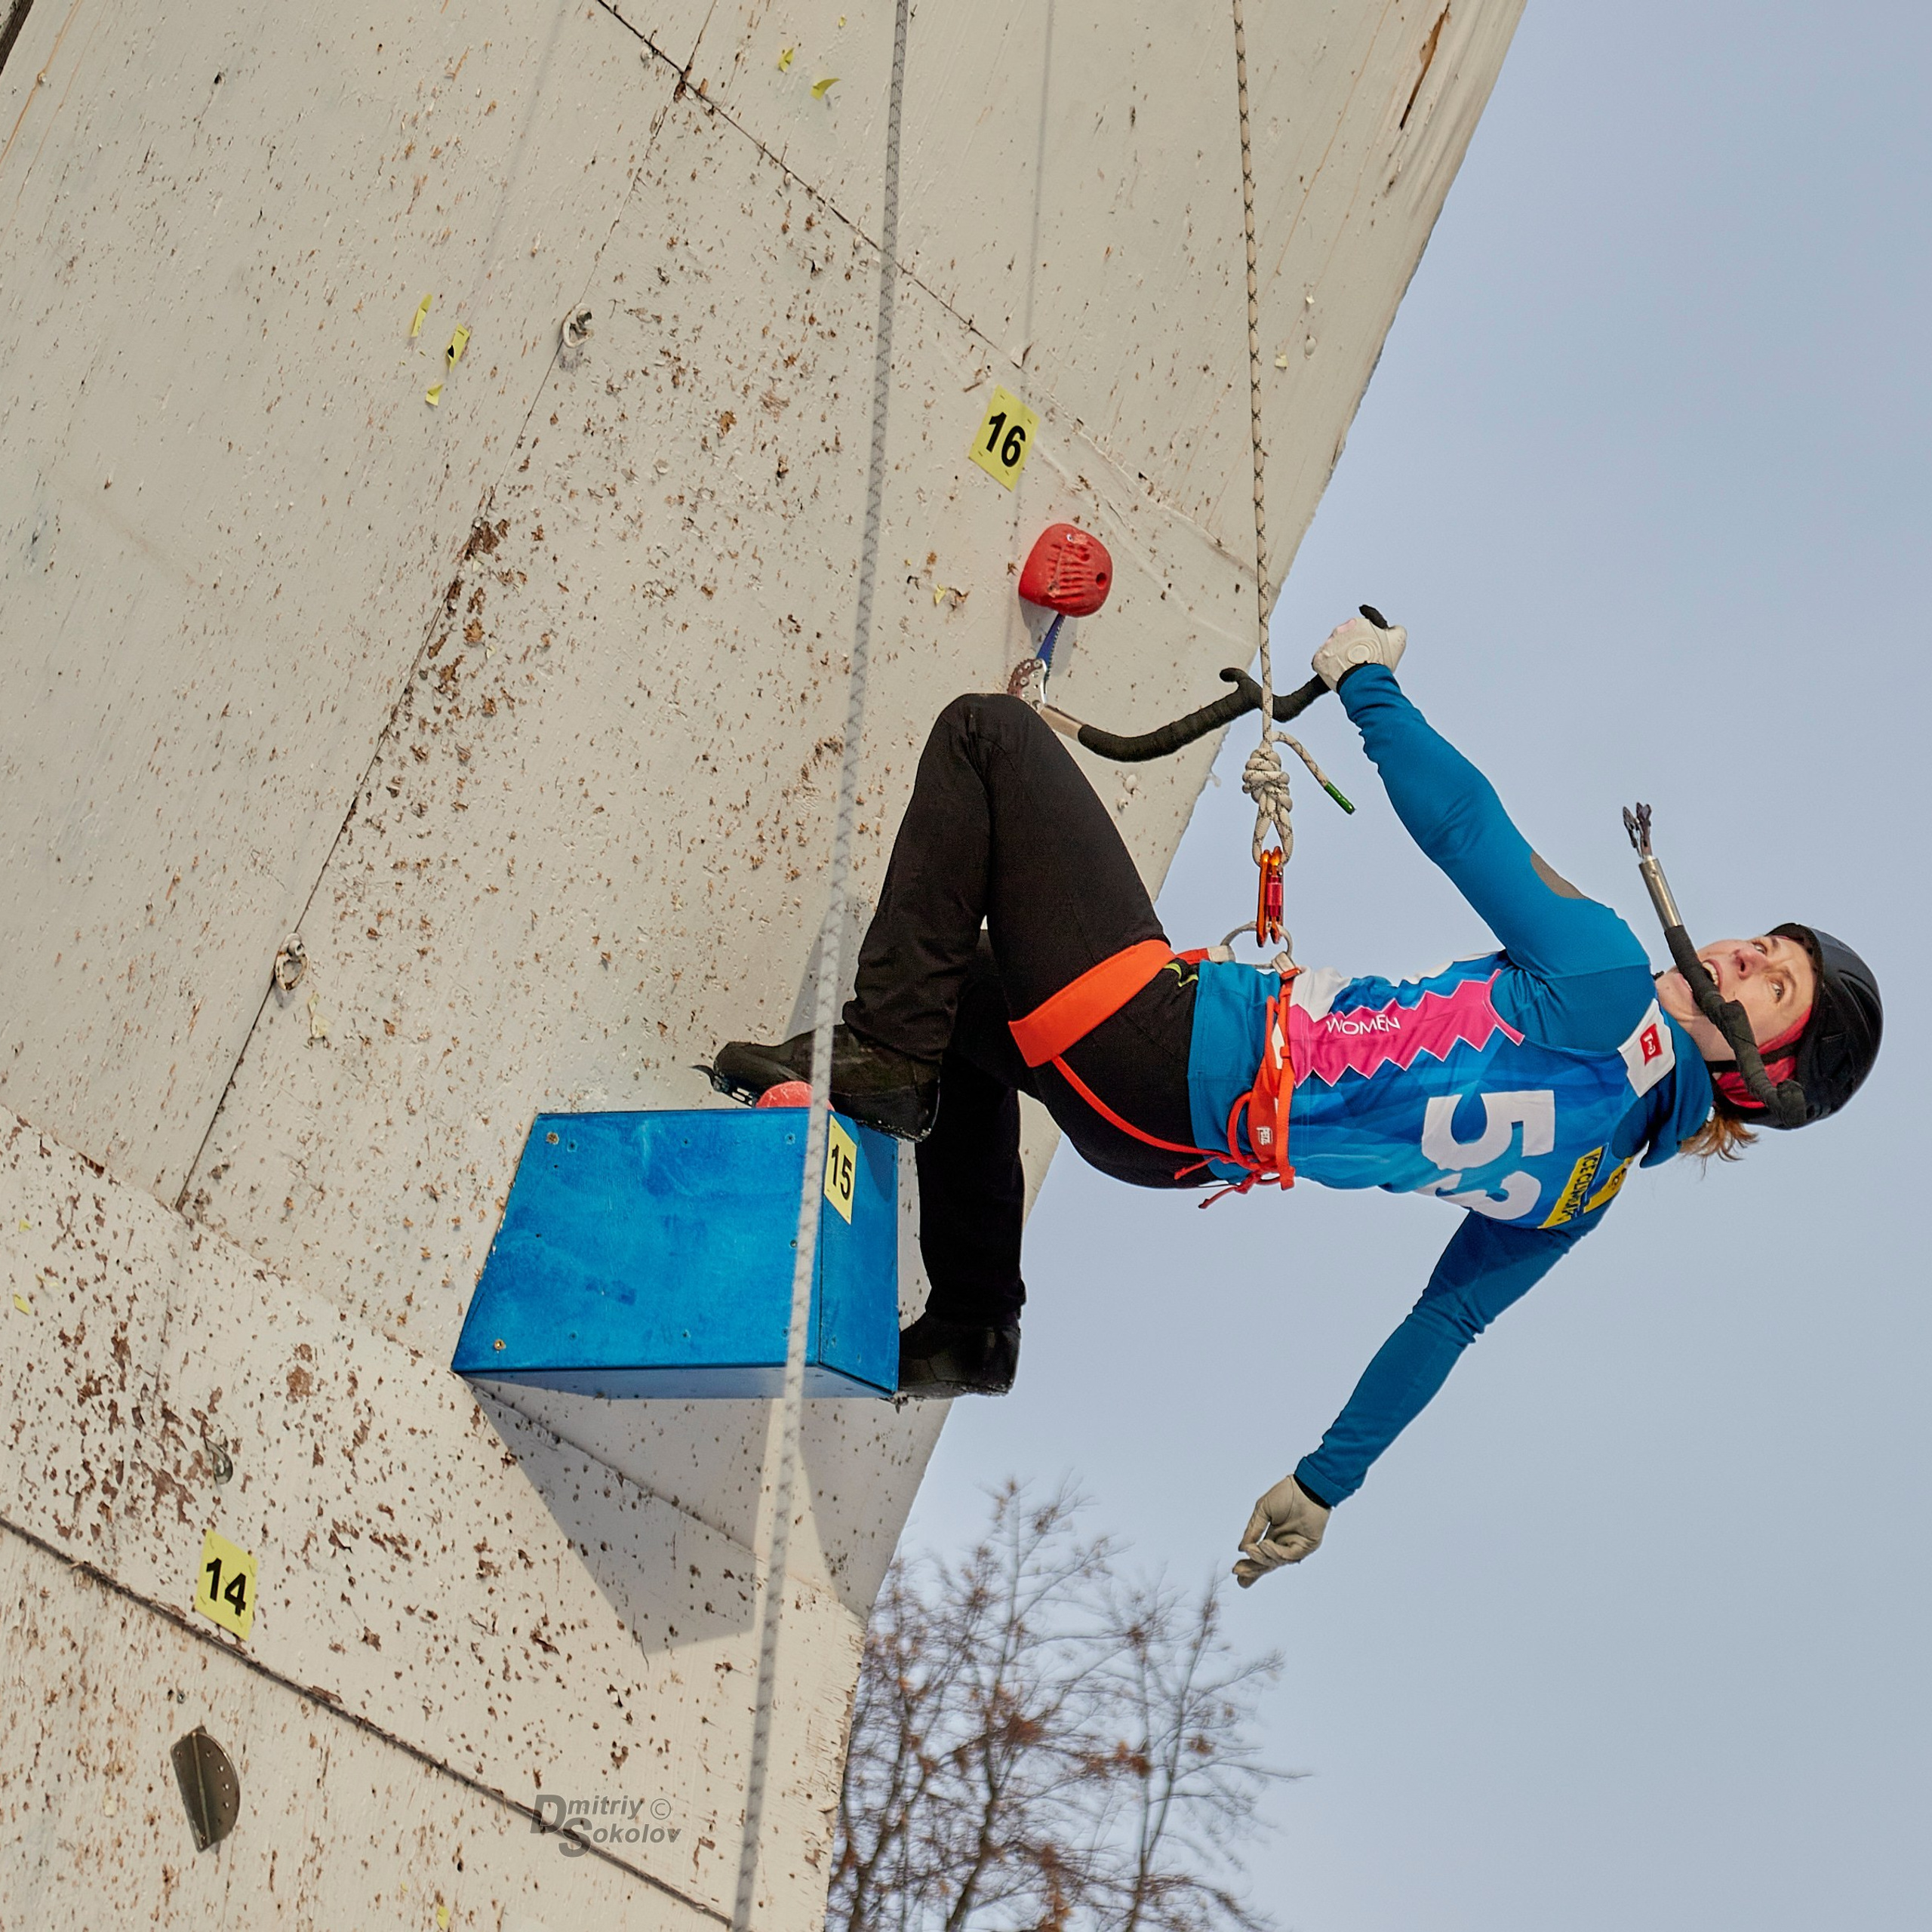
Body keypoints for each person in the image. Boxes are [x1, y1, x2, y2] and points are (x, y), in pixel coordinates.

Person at [712, 617, 1882, 1585]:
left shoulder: (1606, 979)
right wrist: (1328, 1481)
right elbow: (1448, 1325)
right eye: (1763, 943)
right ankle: (973, 1319)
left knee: (987, 737)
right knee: (970, 1000)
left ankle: (877, 1070)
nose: (1738, 956)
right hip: (1170, 1145)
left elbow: (1465, 827)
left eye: (1772, 984)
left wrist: (1369, 685)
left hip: (1167, 1050)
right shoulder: (1590, 1185)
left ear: (1755, 1075)